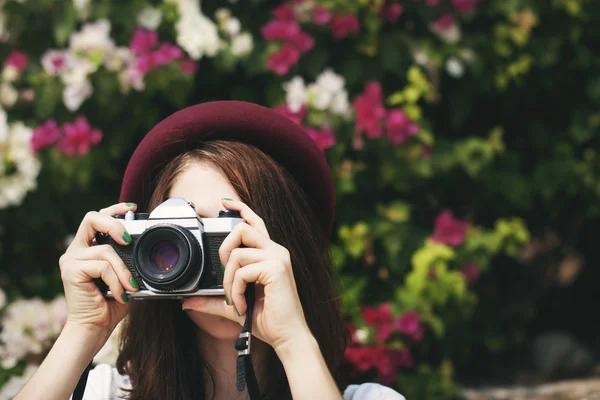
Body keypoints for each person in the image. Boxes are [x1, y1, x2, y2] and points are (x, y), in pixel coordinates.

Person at [14, 101, 406, 400]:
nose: (220, 256)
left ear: (287, 250)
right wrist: (83, 330)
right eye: (185, 232)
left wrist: (293, 341)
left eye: (232, 230)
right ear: (148, 247)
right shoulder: (105, 393)